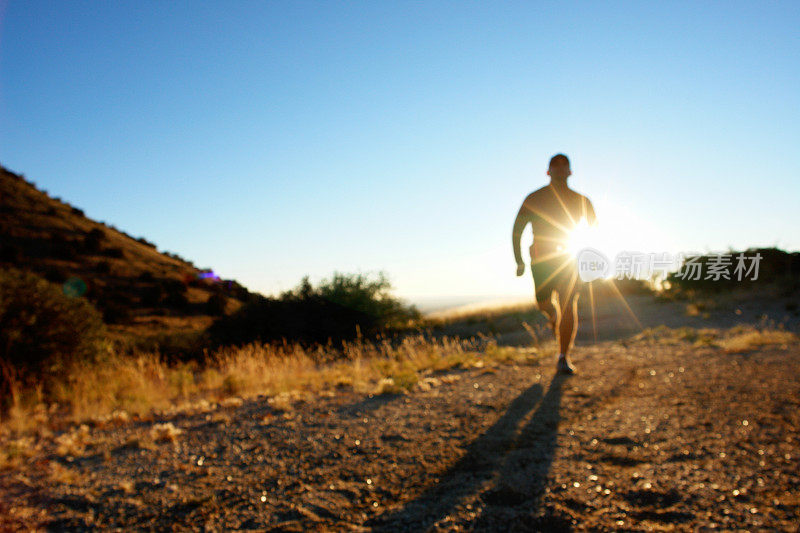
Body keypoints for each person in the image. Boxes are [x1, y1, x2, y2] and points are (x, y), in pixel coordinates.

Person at [512, 154, 597, 374]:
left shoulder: (582, 200)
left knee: (569, 304)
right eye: (555, 167)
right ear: (548, 172)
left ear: (570, 172)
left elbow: (595, 230)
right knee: (544, 304)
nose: (560, 170)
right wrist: (519, 260)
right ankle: (553, 317)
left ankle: (563, 357)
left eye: (564, 166)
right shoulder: (535, 198)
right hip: (540, 260)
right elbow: (517, 230)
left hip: (569, 258)